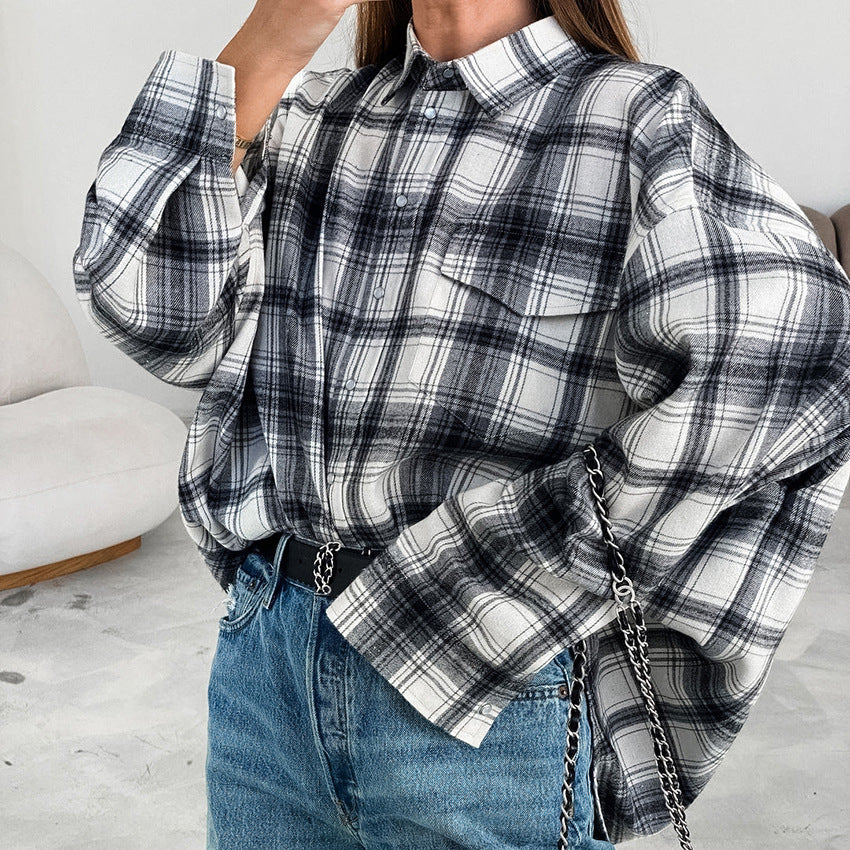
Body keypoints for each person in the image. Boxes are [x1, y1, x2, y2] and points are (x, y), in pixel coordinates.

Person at [72, 0, 850, 847]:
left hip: (484, 702)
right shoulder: (314, 115)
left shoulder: (633, 118)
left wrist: (514, 564)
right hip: (267, 670)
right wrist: (280, 29)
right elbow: (148, 311)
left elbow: (800, 367)